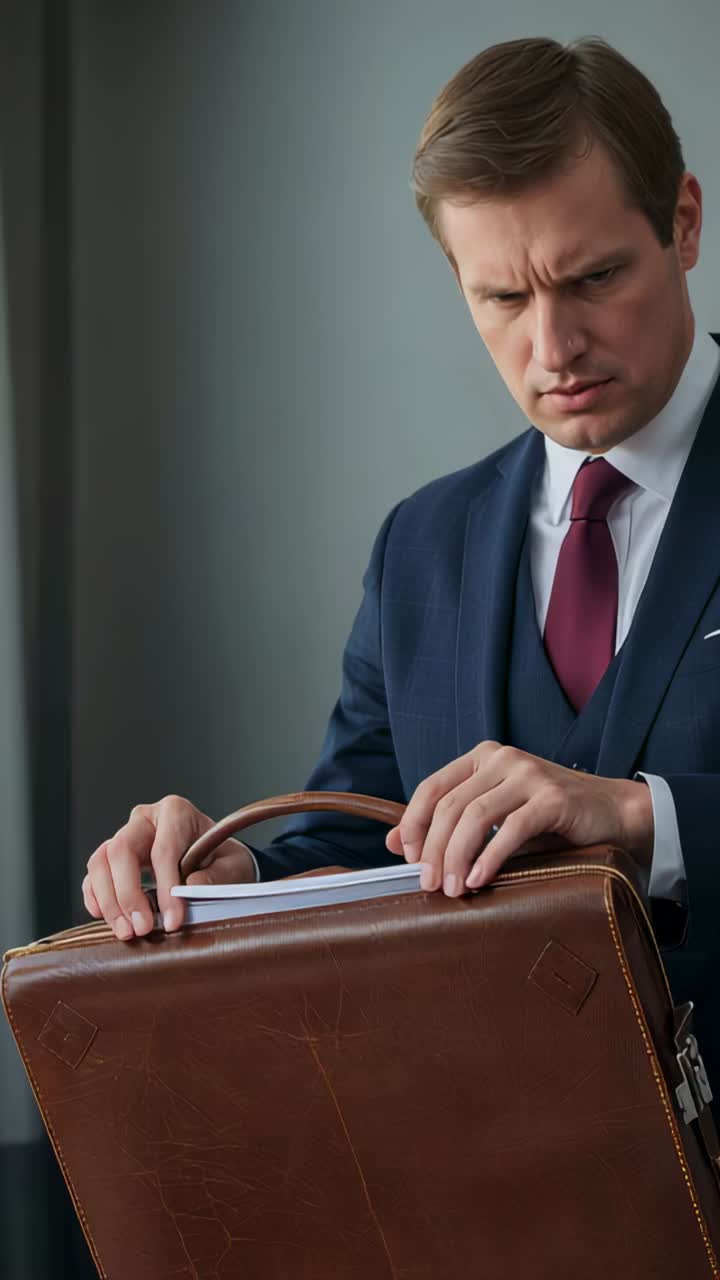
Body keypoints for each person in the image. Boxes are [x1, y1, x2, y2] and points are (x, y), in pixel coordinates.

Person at [84, 36, 720, 1078]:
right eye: (502, 299)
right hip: (470, 1179)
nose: (553, 346)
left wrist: (645, 814)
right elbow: (364, 836)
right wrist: (228, 866)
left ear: (683, 222)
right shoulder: (421, 544)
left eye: (594, 275)